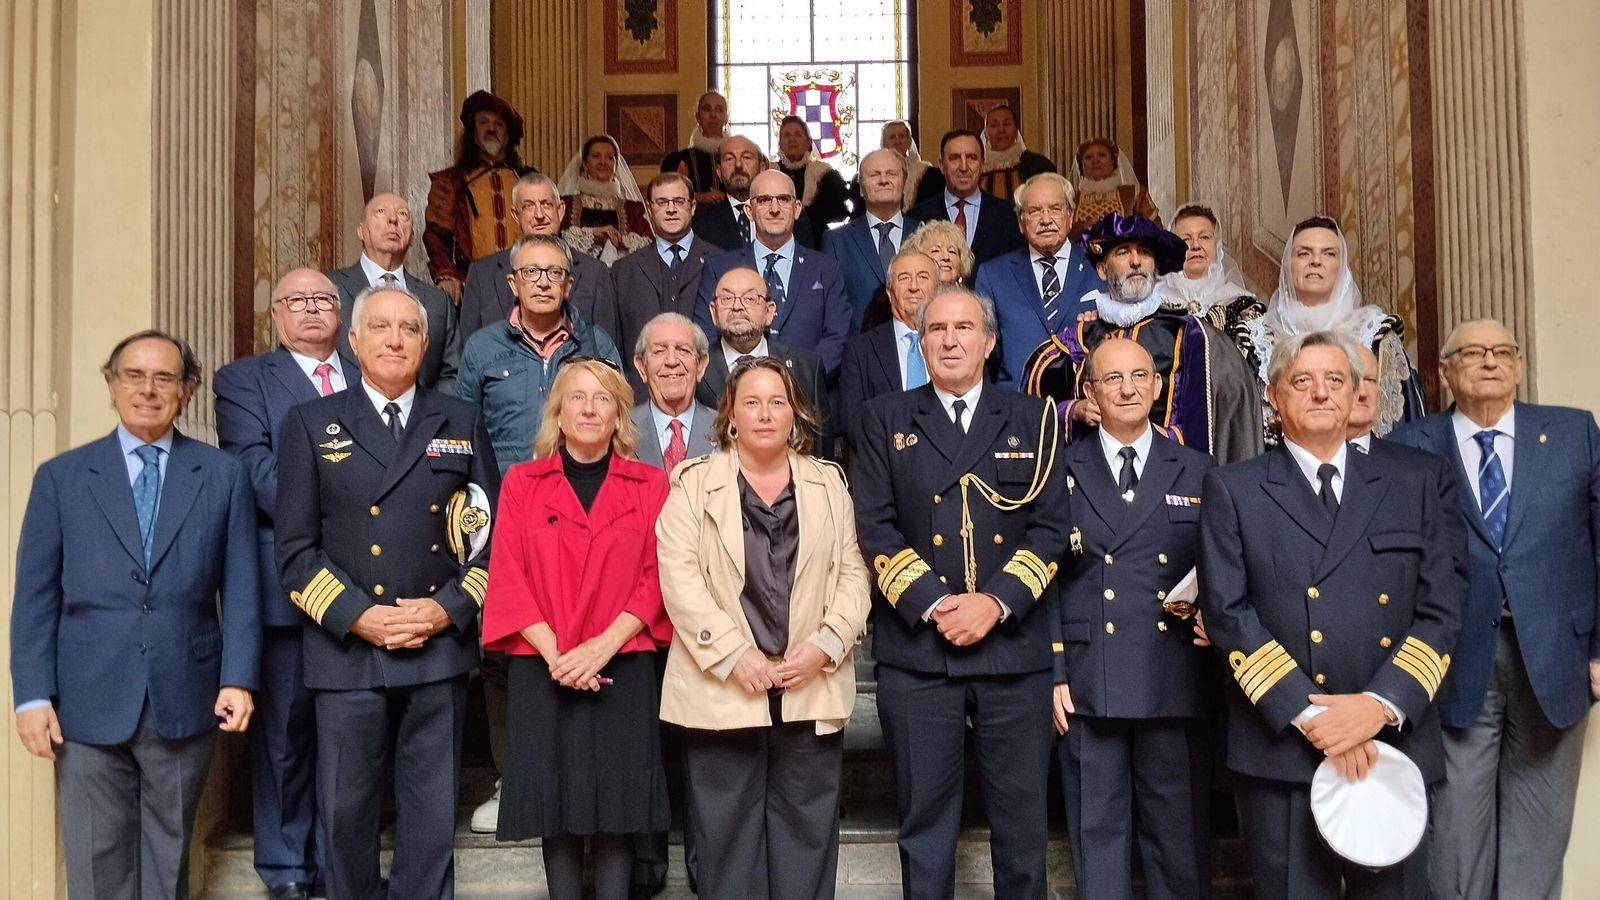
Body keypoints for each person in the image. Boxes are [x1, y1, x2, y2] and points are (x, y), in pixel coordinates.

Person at [1198, 329, 1465, 900]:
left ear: (1355, 394)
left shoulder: (1415, 481)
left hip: (1392, 745)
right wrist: (1315, 718)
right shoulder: (1234, 489)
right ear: (1274, 397)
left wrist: (1376, 708)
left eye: (1335, 380)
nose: (1321, 392)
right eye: (1303, 381)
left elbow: (1441, 609)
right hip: (1284, 748)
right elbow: (1227, 612)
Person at [11, 330, 260, 900]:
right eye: (134, 376)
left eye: (164, 378)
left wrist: (239, 678)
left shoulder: (222, 475)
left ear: (186, 391)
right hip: (83, 699)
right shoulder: (61, 478)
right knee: (95, 859)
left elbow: (243, 586)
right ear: (111, 386)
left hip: (186, 693)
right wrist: (31, 695)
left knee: (168, 861)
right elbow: (35, 597)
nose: (148, 390)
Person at [276, 285, 499, 900]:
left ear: (425, 345)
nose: (395, 340)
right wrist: (359, 616)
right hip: (348, 651)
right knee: (346, 812)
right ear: (354, 341)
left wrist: (446, 610)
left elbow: (490, 538)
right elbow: (295, 552)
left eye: (408, 329)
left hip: (436, 648)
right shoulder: (312, 423)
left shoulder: (460, 419)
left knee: (431, 813)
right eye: (380, 327)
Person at [853, 286, 1071, 900]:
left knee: (1023, 833)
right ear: (921, 345)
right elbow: (875, 527)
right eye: (937, 330)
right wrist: (938, 605)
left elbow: (1052, 528)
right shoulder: (884, 418)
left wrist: (994, 603)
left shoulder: (1033, 418)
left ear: (990, 341)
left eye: (964, 328)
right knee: (924, 831)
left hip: (1014, 654)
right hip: (919, 655)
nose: (950, 340)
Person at [1390, 319, 1600, 900]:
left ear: (1520, 366)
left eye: (1503, 351)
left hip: (1555, 662)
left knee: (1537, 843)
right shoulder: (1410, 445)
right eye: (1473, 352)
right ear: (1444, 372)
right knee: (1454, 845)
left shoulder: (1573, 433)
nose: (1489, 361)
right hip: (1451, 662)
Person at [655, 356, 871, 900]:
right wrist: (734, 655)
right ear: (731, 416)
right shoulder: (693, 485)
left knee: (807, 842)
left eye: (777, 402)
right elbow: (679, 580)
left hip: (810, 684)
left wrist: (826, 645)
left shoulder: (829, 483)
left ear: (795, 414)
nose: (765, 413)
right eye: (751, 402)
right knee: (726, 845)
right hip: (722, 687)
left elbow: (853, 573)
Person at [478, 359, 672, 900]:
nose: (588, 409)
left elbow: (658, 577)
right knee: (555, 806)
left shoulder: (650, 484)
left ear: (619, 415)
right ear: (557, 413)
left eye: (602, 398)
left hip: (622, 664)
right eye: (577, 398)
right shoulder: (522, 483)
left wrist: (599, 650)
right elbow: (507, 574)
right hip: (543, 667)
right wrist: (560, 656)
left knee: (617, 806)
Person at [456, 233, 622, 830]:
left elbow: (615, 421)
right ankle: (515, 776)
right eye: (532, 272)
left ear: (571, 283)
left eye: (555, 273)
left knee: (585, 639)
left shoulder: (595, 344)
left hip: (585, 519)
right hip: (506, 521)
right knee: (506, 654)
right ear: (513, 283)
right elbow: (461, 432)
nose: (545, 282)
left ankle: (583, 771)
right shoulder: (481, 348)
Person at [1051, 337, 1218, 900]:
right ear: (1091, 392)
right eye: (1112, 379)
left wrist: (1215, 615)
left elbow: (1226, 565)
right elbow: (1042, 578)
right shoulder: (1060, 469)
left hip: (1174, 677)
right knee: (1096, 842)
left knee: (1178, 845)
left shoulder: (1198, 469)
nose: (1127, 389)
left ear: (1157, 385)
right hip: (1087, 679)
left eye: (1140, 376)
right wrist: (1054, 672)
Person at [215, 269, 359, 900]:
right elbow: (255, 472)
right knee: (284, 736)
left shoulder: (369, 373)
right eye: (296, 301)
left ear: (342, 315)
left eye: (323, 299)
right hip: (285, 590)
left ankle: (338, 866)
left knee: (350, 739)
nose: (311, 309)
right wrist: (352, 510)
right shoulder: (244, 381)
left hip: (366, 588)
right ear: (275, 316)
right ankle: (286, 868)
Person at [1021, 213, 1262, 463]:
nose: (1136, 261)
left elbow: (1223, 425)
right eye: (1123, 252)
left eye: (1145, 253)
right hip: (1096, 473)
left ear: (1155, 268)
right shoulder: (1078, 337)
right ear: (1102, 270)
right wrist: (1073, 411)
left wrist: (1165, 439)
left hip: (1171, 472)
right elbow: (1032, 410)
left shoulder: (1192, 336)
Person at [1246, 215, 1425, 444]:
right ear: (1288, 265)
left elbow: (1402, 431)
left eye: (1329, 254)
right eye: (1304, 253)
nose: (1315, 261)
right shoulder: (1255, 342)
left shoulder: (1375, 338)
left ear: (1342, 267)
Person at [694, 169, 851, 375]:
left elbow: (837, 337)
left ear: (797, 209)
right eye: (764, 200)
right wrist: (742, 383)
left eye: (783, 199)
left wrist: (796, 382)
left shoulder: (827, 269)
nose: (774, 209)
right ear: (749, 211)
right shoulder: (719, 268)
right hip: (734, 388)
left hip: (807, 389)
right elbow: (705, 335)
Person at [973, 172, 1103, 390]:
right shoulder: (993, 275)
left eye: (1055, 209)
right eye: (1034, 211)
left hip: (1084, 400)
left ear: (1070, 216)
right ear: (1021, 223)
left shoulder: (1099, 268)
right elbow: (983, 353)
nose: (1046, 220)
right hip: (1016, 402)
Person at [459, 171, 620, 344]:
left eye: (546, 204)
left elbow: (608, 350)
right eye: (528, 206)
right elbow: (469, 350)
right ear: (515, 215)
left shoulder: (594, 273)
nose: (539, 215)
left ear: (560, 210)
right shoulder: (482, 274)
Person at [329, 191, 461, 391]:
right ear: (361, 231)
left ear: (412, 236)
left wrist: (425, 408)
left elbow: (452, 373)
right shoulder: (329, 288)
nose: (393, 219)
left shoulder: (438, 302)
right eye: (381, 212)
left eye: (403, 214)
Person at [695, 267, 832, 454]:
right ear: (714, 312)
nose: (737, 306)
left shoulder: (806, 367)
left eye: (750, 298)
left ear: (769, 311)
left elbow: (821, 448)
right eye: (727, 298)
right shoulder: (696, 369)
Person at [612, 172, 720, 393]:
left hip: (709, 395)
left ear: (693, 206)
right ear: (649, 209)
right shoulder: (623, 271)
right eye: (662, 202)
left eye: (678, 201)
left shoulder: (721, 263)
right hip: (640, 396)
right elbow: (616, 342)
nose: (671, 209)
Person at [425, 90, 536, 303]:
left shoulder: (527, 179)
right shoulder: (451, 181)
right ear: (473, 132)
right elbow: (436, 235)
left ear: (507, 134)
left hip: (525, 285)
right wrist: (447, 274)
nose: (492, 129)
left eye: (499, 124)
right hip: (472, 287)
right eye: (483, 122)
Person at [835, 249, 940, 453]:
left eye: (922, 277)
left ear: (938, 289)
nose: (914, 286)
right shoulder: (860, 350)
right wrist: (897, 456)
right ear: (890, 293)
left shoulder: (954, 345)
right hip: (883, 462)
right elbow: (853, 422)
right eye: (904, 278)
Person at [821, 147, 925, 332]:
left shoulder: (925, 234)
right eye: (874, 175)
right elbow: (831, 309)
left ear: (904, 182)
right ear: (861, 188)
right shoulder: (836, 241)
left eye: (891, 174)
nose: (883, 180)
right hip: (858, 345)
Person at [908, 129, 1025, 272]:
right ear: (942, 165)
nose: (963, 167)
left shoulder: (1007, 214)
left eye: (971, 158)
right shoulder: (917, 217)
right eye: (955, 158)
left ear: (982, 164)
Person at [1158, 203, 1263, 346]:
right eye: (1185, 239)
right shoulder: (1157, 304)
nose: (1196, 246)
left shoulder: (1240, 305)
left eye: (1204, 237)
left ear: (1217, 246)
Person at [690, 134, 817, 251]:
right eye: (729, 159)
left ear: (762, 168)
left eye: (746, 157)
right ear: (719, 172)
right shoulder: (700, 221)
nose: (738, 165)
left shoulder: (791, 214)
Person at [631, 313, 717, 471]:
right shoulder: (620, 429)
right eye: (659, 351)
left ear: (701, 365)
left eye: (683, 350)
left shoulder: (726, 430)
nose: (671, 361)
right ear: (642, 367)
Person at [556, 134, 652, 265]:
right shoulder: (566, 205)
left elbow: (647, 245)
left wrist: (619, 241)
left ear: (616, 165)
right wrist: (592, 234)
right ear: (585, 164)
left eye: (609, 157)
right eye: (596, 156)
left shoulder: (633, 209)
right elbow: (557, 240)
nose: (603, 162)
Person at [1068, 137, 1161, 241]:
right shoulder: (1071, 199)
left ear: (1113, 161)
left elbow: (1156, 230)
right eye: (1088, 157)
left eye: (1102, 155)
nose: (1095, 161)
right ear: (1081, 165)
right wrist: (1083, 227)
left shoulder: (1135, 194)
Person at [772, 115, 851, 236]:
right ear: (780, 143)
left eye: (798, 135)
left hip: (815, 241)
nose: (792, 139)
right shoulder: (769, 174)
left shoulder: (824, 174)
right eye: (786, 135)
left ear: (809, 143)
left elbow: (839, 213)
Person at [662, 90, 729, 206]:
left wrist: (727, 199)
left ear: (726, 118)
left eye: (719, 110)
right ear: (698, 117)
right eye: (707, 109)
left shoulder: (742, 159)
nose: (713, 115)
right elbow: (665, 195)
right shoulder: (677, 161)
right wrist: (695, 196)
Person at [978, 104, 1056, 201]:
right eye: (994, 125)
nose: (1001, 130)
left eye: (1007, 124)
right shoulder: (976, 168)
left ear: (1016, 130)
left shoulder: (1038, 165)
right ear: (986, 132)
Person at [879, 120, 937, 209]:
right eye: (892, 137)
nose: (897, 141)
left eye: (902, 136)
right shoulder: (874, 171)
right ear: (884, 142)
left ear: (908, 141)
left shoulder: (925, 171)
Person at [901, 219, 975, 286]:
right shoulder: (910, 296)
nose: (946, 257)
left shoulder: (969, 297)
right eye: (936, 251)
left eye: (952, 252)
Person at [1346, 343, 1382, 451]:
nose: (1362, 393)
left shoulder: (1408, 459)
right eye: (1352, 379)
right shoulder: (1304, 456)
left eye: (1370, 380)